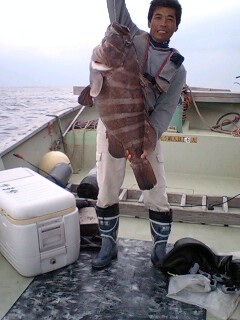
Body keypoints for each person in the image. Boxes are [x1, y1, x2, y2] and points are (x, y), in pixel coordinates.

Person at [92, 0, 186, 269]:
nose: (163, 23)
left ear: (176, 27)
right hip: (112, 126)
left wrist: (149, 138)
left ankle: (159, 249)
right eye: (158, 17)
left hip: (145, 132)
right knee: (107, 187)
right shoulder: (130, 37)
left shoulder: (177, 69)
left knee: (157, 192)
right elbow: (115, 6)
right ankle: (108, 244)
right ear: (148, 22)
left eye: (170, 19)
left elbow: (166, 109)